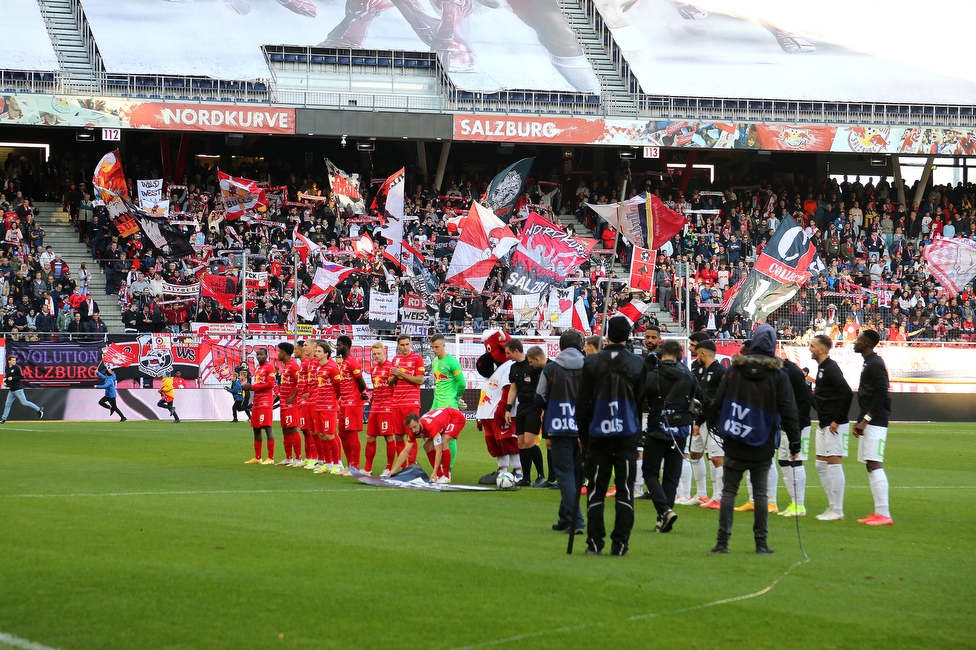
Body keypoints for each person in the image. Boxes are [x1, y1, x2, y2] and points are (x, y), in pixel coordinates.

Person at [707, 324, 800, 555]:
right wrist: (795, 441)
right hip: (763, 441)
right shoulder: (778, 374)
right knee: (760, 494)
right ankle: (761, 543)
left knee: (729, 491)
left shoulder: (734, 370)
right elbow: (788, 410)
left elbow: (718, 400)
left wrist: (716, 426)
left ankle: (722, 542)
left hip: (735, 438)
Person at [575, 316, 646, 557]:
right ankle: (621, 545)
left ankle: (594, 543)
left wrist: (583, 434)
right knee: (625, 489)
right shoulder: (637, 363)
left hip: (598, 435)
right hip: (626, 434)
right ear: (628, 335)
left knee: (596, 488)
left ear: (607, 334)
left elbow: (582, 402)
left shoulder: (593, 362)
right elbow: (640, 401)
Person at [642, 340, 702, 533]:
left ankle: (664, 510)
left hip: (658, 427)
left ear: (661, 353)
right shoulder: (689, 375)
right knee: (671, 475)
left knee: (650, 472)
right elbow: (697, 397)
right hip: (681, 428)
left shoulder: (653, 374)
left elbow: (640, 396)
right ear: (679, 354)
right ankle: (664, 516)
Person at [536, 329, 586, 534]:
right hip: (583, 428)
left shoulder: (551, 369)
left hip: (558, 425)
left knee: (564, 474)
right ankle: (565, 518)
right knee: (575, 475)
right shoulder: (590, 367)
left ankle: (576, 520)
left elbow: (539, 398)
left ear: (561, 346)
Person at [809, 333, 853, 521]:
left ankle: (838, 509)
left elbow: (847, 393)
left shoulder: (831, 368)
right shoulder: (821, 368)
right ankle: (831, 505)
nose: (809, 348)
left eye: (812, 346)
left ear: (821, 349)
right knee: (820, 464)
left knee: (834, 466)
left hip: (834, 425)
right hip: (824, 422)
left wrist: (838, 419)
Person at [852, 330, 894, 526]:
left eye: (859, 339)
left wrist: (866, 420)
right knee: (870, 464)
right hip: (869, 420)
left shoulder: (876, 364)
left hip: (876, 422)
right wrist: (860, 420)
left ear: (867, 343)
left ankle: (884, 514)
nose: (856, 341)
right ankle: (879, 512)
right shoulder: (868, 362)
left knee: (875, 464)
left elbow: (881, 394)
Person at [505, 339, 547, 487]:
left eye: (508, 352)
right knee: (521, 444)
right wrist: (508, 409)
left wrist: (543, 407)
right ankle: (526, 478)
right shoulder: (513, 368)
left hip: (534, 406)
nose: (507, 355)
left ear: (516, 351)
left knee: (530, 442)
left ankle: (541, 475)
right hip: (522, 406)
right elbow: (513, 389)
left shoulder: (534, 366)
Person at [777, 352, 813, 517]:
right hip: (786, 423)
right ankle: (794, 502)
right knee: (783, 461)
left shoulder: (792, 372)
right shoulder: (783, 371)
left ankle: (800, 505)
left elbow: (804, 400)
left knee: (795, 460)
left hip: (798, 424)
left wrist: (796, 425)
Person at [693, 340, 727, 509]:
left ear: (703, 354)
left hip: (718, 421)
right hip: (709, 420)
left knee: (718, 458)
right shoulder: (708, 372)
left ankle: (721, 498)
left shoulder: (720, 371)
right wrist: (699, 421)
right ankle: (716, 496)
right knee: (714, 458)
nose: (696, 356)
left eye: (698, 353)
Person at [392, 408, 466, 484]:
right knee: (427, 445)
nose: (414, 430)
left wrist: (434, 472)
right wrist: (393, 470)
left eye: (415, 427)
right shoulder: (413, 432)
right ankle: (439, 474)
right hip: (443, 419)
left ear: (419, 422)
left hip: (455, 417)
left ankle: (446, 476)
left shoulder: (431, 427)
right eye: (411, 428)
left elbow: (439, 451)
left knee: (443, 443)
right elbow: (406, 451)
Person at [430, 333, 467, 473]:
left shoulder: (452, 362)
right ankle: (439, 466)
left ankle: (448, 468)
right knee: (434, 437)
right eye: (432, 347)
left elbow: (462, 383)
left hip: (449, 405)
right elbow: (439, 385)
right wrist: (433, 407)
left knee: (449, 438)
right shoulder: (435, 362)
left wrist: (456, 397)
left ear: (444, 345)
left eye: (437, 347)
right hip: (437, 404)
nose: (434, 350)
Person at [389, 335, 425, 467]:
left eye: (407, 344)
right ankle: (403, 467)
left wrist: (402, 374)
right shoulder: (395, 359)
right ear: (398, 346)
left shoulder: (417, 358)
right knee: (398, 436)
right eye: (402, 345)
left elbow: (420, 380)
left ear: (411, 344)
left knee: (412, 435)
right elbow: (389, 381)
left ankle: (412, 466)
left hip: (411, 403)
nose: (405, 347)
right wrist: (395, 376)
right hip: (396, 403)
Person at [335, 335, 369, 474]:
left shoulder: (352, 362)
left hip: (352, 403)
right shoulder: (344, 362)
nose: (337, 347)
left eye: (340, 345)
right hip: (344, 402)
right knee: (342, 433)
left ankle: (355, 466)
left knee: (351, 433)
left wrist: (360, 393)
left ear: (347, 346)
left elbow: (361, 382)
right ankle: (350, 464)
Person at [364, 342, 396, 477]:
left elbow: (392, 386)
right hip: (375, 406)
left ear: (384, 353)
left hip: (387, 407)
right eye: (374, 354)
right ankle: (367, 468)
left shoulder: (391, 367)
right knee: (370, 437)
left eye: (378, 354)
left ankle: (389, 468)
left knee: (389, 437)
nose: (376, 356)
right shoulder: (373, 369)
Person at [311, 340, 342, 473]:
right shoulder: (319, 367)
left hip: (329, 405)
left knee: (330, 435)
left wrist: (333, 399)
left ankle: (338, 463)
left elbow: (338, 386)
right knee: (322, 435)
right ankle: (328, 463)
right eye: (316, 351)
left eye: (319, 351)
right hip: (319, 404)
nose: (316, 353)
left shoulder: (332, 367)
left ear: (326, 354)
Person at [242, 348, 276, 465]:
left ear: (266, 356)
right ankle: (258, 457)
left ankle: (270, 458)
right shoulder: (257, 368)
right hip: (257, 401)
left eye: (261, 354)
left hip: (265, 401)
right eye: (258, 354)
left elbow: (271, 384)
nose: (259, 356)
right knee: (256, 429)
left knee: (267, 428)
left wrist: (252, 387)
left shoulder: (269, 367)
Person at [276, 342, 303, 466]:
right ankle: (288, 458)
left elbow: (300, 382)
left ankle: (298, 458)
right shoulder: (285, 366)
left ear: (284, 353)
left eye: (279, 351)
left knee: (293, 429)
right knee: (285, 430)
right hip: (283, 403)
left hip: (291, 404)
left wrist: (293, 396)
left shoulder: (293, 366)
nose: (277, 353)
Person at [0, 354, 43, 423]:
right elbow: (9, 378)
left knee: (24, 402)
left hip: (18, 389)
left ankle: (38, 409)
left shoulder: (17, 368)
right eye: (13, 360)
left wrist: (13, 378)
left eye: (15, 360)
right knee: (7, 404)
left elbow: (21, 376)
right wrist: (5, 382)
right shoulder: (7, 369)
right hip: (12, 390)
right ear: (9, 361)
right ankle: (3, 419)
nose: (14, 361)